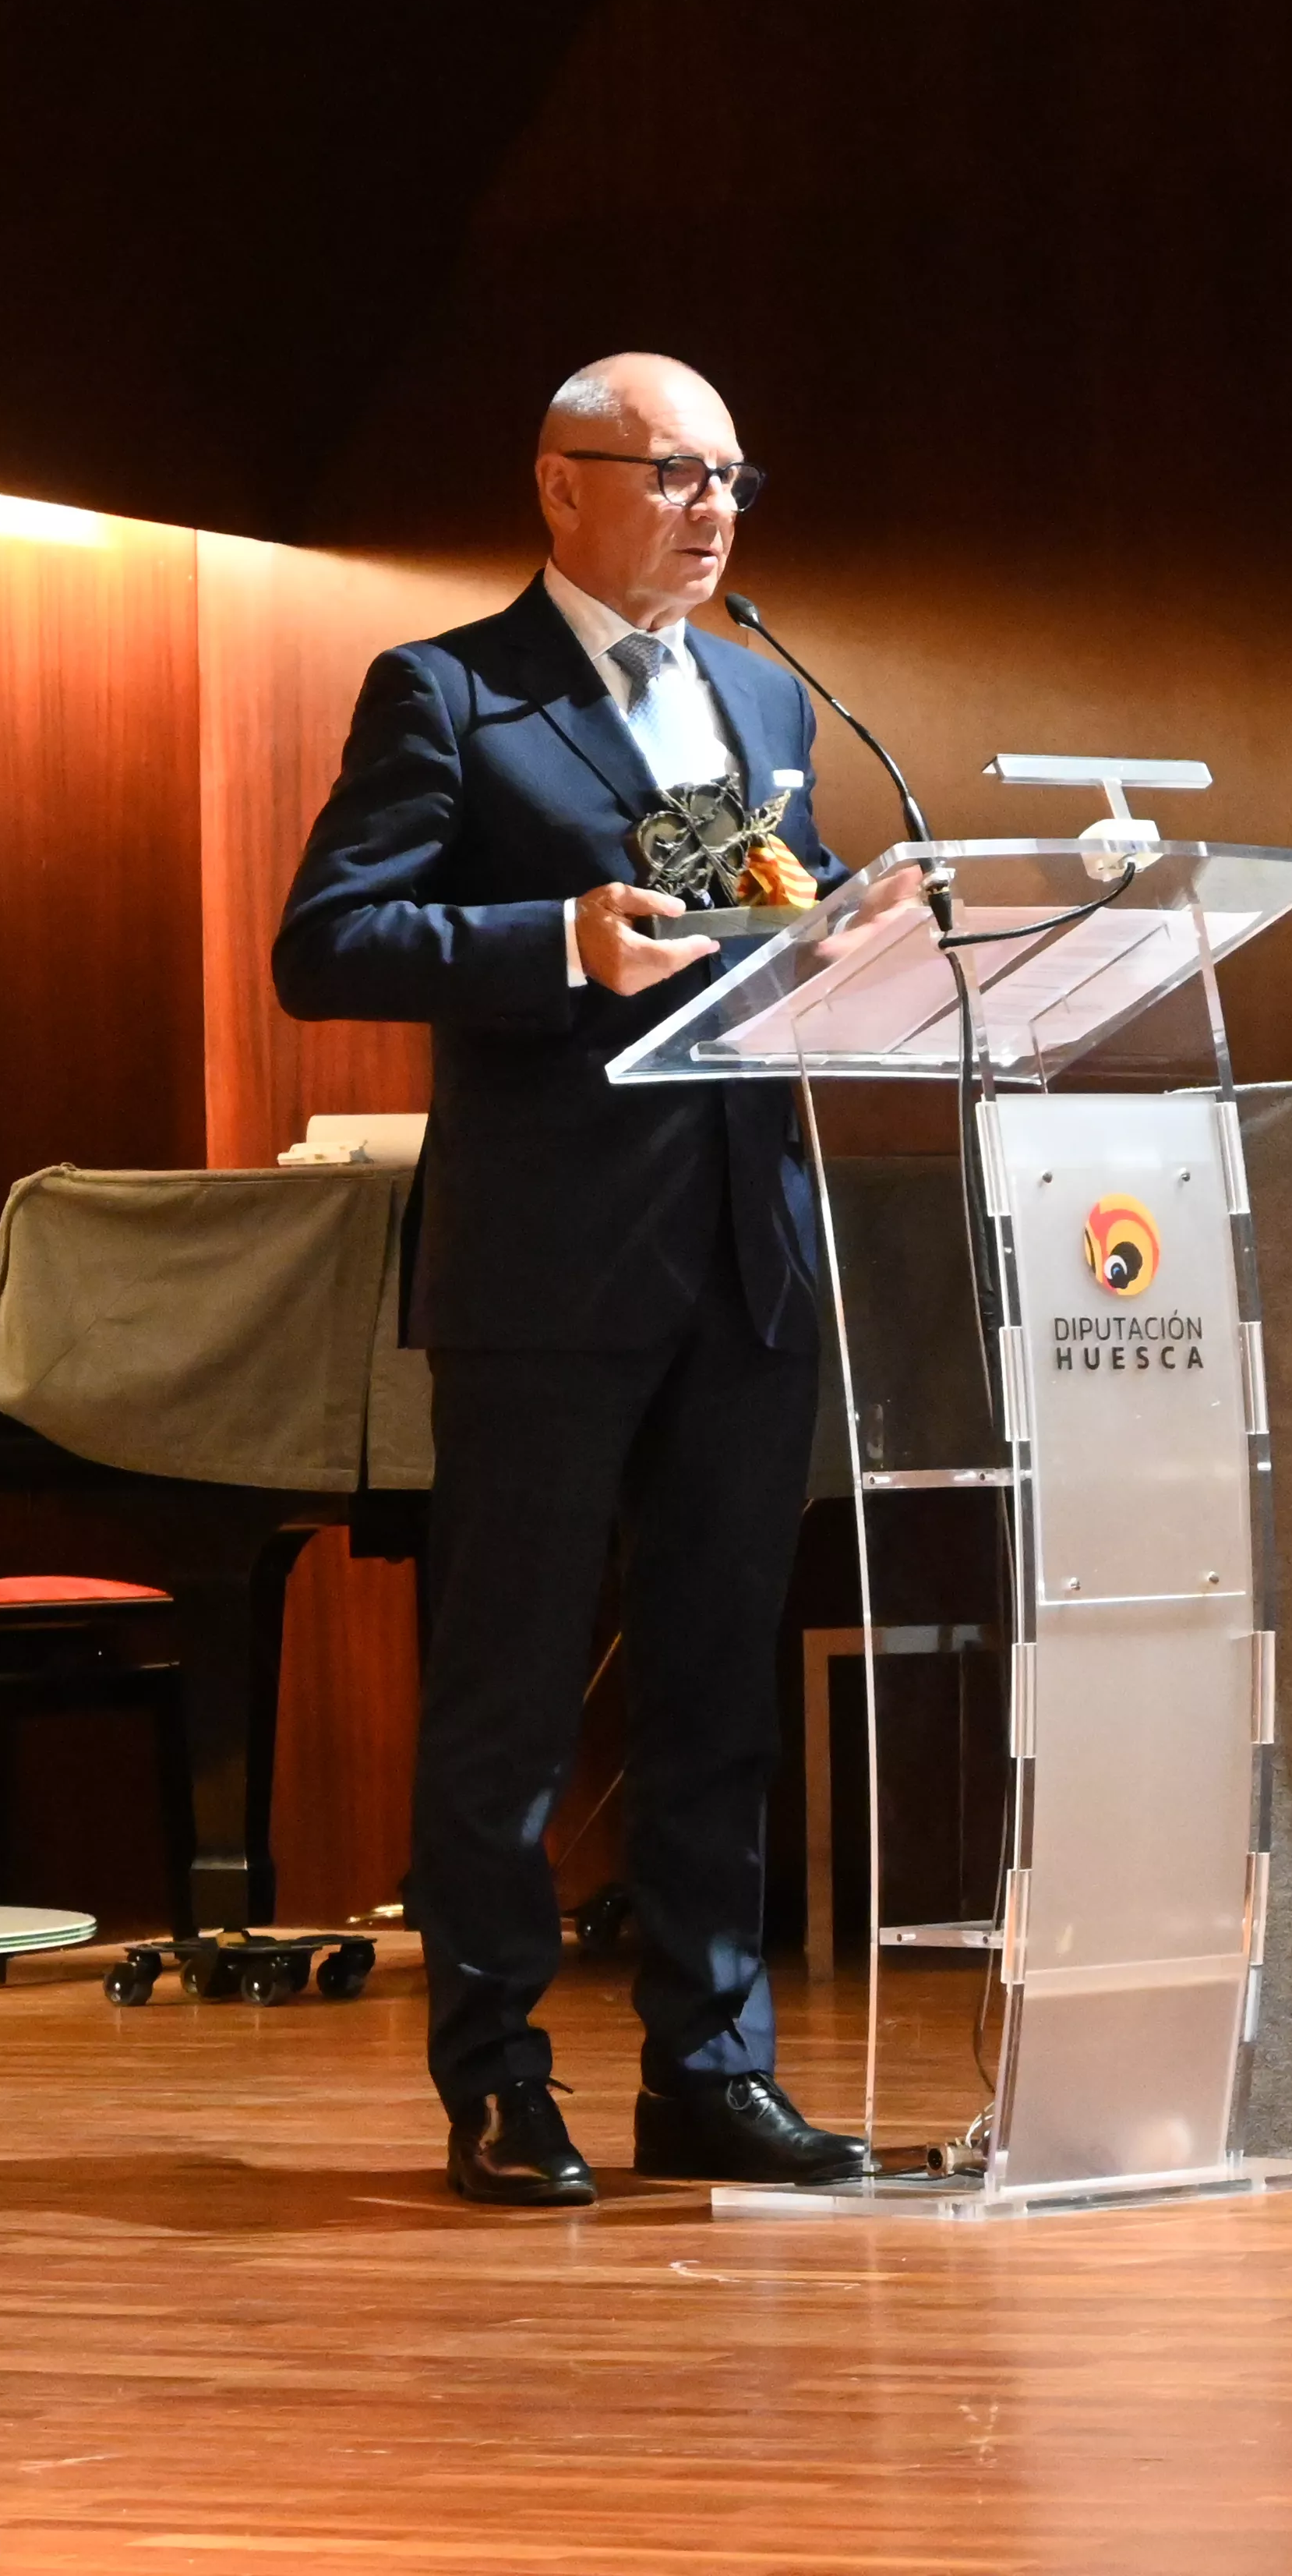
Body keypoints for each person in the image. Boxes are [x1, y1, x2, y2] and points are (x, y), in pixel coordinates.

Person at [270, 352, 883, 2203]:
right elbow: (330, 942)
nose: (710, 510)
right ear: (560, 487)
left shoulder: (762, 691)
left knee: (716, 1687)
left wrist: (882, 927)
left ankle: (711, 2068)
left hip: (746, 1257)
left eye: (731, 478)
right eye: (673, 475)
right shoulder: (457, 692)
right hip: (549, 1270)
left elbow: (795, 903)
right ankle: (495, 2075)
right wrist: (553, 938)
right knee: (514, 1697)